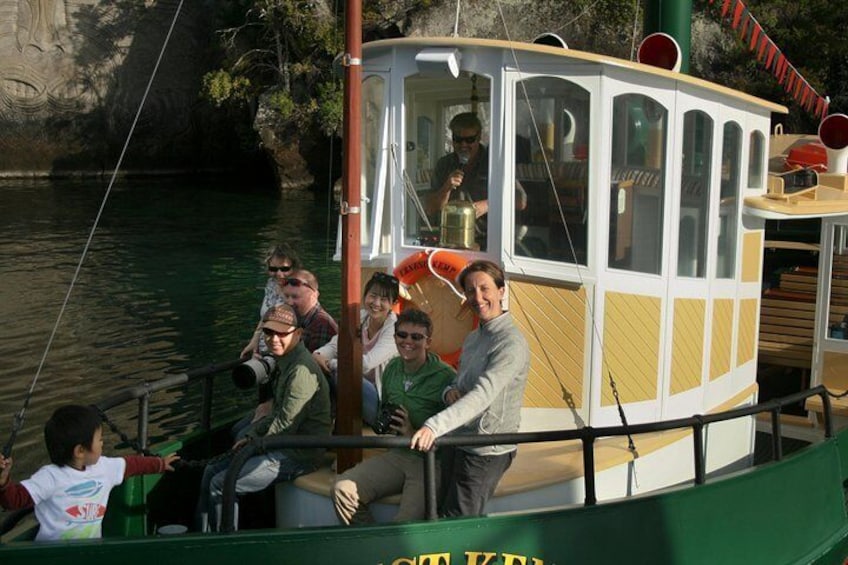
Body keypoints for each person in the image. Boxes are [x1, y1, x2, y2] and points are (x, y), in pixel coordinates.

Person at [410, 260, 529, 517]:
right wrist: (448, 392)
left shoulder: (511, 344)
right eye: (470, 291)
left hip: (486, 449)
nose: (478, 297)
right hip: (459, 440)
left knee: (458, 518)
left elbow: (482, 395)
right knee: (436, 509)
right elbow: (458, 383)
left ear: (501, 291)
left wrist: (434, 426)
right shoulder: (473, 338)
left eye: (484, 288)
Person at [198, 304, 331, 532]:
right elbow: (278, 414)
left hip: (300, 453)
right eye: (269, 332)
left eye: (282, 333)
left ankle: (220, 547)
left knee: (221, 484)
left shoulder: (300, 371)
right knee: (210, 470)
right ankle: (202, 536)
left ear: (297, 334)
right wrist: (251, 435)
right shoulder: (285, 361)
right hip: (285, 441)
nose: (274, 339)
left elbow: (285, 426)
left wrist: (252, 442)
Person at [332, 309, 456, 524]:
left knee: (404, 525)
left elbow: (457, 432)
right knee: (343, 489)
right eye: (402, 335)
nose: (408, 341)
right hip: (397, 454)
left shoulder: (446, 377)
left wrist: (412, 432)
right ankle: (376, 548)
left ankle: (393, 553)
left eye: (416, 337)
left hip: (430, 462)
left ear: (428, 342)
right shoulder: (392, 368)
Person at [0, 404, 179, 541]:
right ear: (80, 451)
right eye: (99, 439)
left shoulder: (104, 467)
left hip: (89, 553)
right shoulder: (49, 477)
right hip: (52, 556)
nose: (102, 443)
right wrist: (3, 480)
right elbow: (14, 500)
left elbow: (131, 465)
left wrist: (159, 464)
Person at [313, 272, 400, 425]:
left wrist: (330, 363)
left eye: (384, 299)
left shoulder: (394, 329)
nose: (376, 303)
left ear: (392, 303)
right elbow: (335, 345)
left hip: (380, 404)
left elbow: (365, 364)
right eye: (373, 295)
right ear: (365, 295)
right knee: (315, 367)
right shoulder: (360, 317)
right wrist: (318, 355)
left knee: (343, 374)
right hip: (353, 391)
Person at [425, 112, 490, 248]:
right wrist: (446, 188)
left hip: (487, 241)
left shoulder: (494, 163)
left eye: (470, 140)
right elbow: (430, 209)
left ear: (479, 138)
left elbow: (520, 200)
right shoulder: (444, 164)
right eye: (458, 139)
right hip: (450, 241)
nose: (463, 145)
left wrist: (489, 204)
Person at [240, 243, 303, 359]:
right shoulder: (271, 284)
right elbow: (265, 316)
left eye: (284, 269)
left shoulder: (300, 290)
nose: (279, 274)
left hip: (282, 351)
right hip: (263, 347)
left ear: (294, 268)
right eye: (273, 269)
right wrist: (254, 341)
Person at [282, 269, 338, 353]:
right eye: (286, 296)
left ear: (314, 296)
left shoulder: (322, 323)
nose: (289, 302)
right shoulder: (295, 318)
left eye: (295, 297)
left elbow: (314, 363)